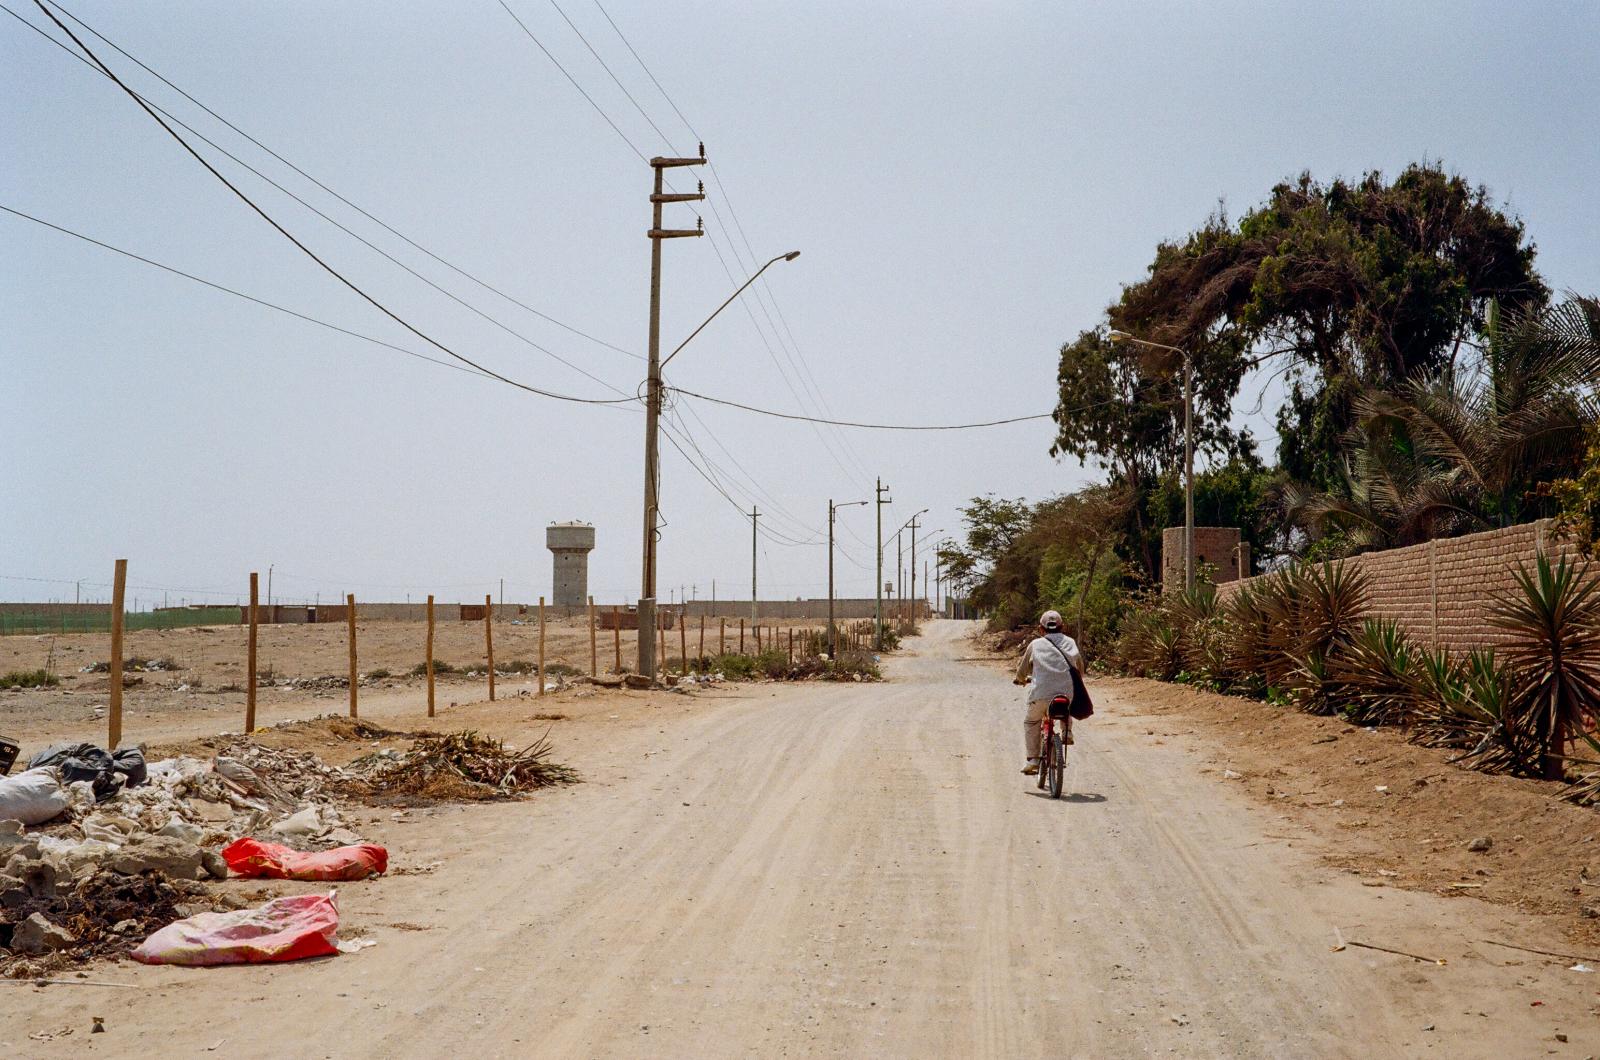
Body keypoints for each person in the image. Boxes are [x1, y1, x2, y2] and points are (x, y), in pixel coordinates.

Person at [1011, 609, 1083, 775]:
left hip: (1041, 695)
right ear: (1062, 627)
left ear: (1041, 629)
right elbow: (1079, 668)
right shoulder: (1071, 642)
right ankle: (1067, 732)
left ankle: (1033, 759)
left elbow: (1022, 670)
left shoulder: (1035, 645)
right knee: (1067, 704)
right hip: (1066, 693)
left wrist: (1020, 679)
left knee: (1031, 722)